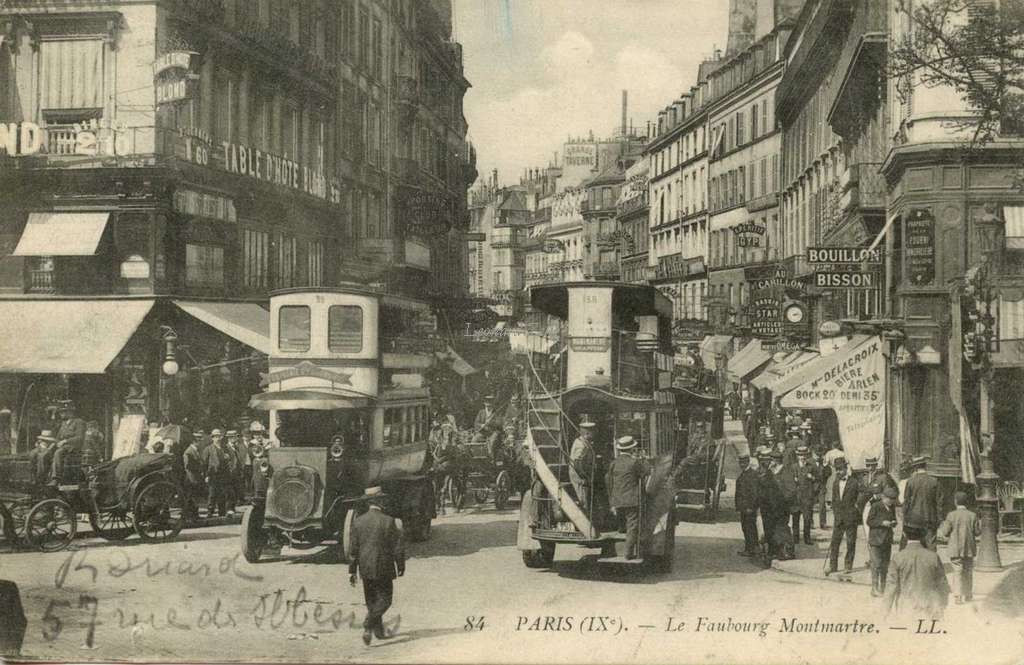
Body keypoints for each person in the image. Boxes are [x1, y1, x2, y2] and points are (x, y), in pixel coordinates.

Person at [348, 487, 405, 646]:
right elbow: (397, 547)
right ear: (380, 502)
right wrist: (400, 565)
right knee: (385, 600)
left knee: (371, 600)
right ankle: (368, 624)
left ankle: (378, 632)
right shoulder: (389, 521)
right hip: (384, 566)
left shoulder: (358, 522)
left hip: (365, 567)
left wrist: (352, 571)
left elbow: (353, 549)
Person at [886, 526, 951, 619]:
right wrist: (943, 605)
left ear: (904, 535)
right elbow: (943, 583)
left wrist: (885, 612)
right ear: (923, 536)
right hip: (930, 605)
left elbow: (891, 586)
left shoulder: (898, 557)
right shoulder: (933, 556)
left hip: (906, 607)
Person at [604, 435, 649, 560]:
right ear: (632, 449)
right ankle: (628, 553)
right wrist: (643, 459)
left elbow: (608, 479)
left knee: (622, 524)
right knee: (632, 525)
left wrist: (611, 499)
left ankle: (616, 547)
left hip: (617, 500)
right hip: (631, 499)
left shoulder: (614, 463)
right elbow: (646, 472)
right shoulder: (634, 462)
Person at [937, 491, 980, 604]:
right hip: (969, 548)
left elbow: (945, 532)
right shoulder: (973, 515)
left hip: (955, 548)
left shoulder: (951, 515)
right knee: (968, 571)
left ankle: (958, 596)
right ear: (966, 502)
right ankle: (968, 594)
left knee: (957, 571)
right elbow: (977, 532)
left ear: (955, 502)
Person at [826, 459, 865, 575]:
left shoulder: (854, 482)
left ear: (845, 469)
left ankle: (848, 566)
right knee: (834, 543)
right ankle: (833, 566)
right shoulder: (835, 482)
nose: (838, 472)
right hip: (839, 518)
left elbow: (864, 493)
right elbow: (834, 499)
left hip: (851, 517)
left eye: (840, 469)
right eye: (837, 470)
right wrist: (835, 511)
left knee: (850, 542)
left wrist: (858, 506)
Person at [902, 455, 942, 549]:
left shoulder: (911, 481)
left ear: (915, 467)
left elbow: (906, 501)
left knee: (915, 544)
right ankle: (932, 563)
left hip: (913, 519)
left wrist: (905, 517)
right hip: (930, 518)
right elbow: (939, 503)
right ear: (925, 466)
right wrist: (939, 518)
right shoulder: (934, 481)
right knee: (931, 544)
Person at [867, 486, 899, 597]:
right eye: (889, 499)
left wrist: (894, 522)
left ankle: (883, 587)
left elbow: (894, 518)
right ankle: (874, 588)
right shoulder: (876, 506)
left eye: (893, 499)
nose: (891, 501)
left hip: (887, 540)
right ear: (883, 497)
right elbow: (869, 521)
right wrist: (882, 523)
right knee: (876, 565)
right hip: (876, 540)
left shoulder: (892, 507)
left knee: (885, 565)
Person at [768, 449, 795, 560]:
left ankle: (788, 551)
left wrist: (783, 501)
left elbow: (791, 490)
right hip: (772, 506)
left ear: (776, 460)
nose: (771, 462)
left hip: (782, 506)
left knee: (783, 528)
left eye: (772, 460)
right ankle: (777, 550)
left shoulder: (786, 472)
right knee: (774, 528)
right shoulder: (771, 471)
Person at [50, 401, 86, 484]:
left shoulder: (79, 422)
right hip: (62, 447)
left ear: (70, 412)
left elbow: (80, 437)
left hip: (73, 448)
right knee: (42, 453)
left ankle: (56, 478)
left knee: (58, 453)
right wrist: (52, 443)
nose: (61, 414)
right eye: (61, 412)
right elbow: (58, 438)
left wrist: (65, 441)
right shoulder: (63, 424)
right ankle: (39, 478)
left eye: (63, 412)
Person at [793, 445, 821, 545]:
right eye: (800, 455)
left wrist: (812, 479)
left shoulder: (811, 466)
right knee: (795, 518)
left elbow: (818, 480)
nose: (802, 457)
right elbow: (789, 481)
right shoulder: (794, 467)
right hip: (796, 497)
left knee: (807, 518)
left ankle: (807, 538)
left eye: (804, 455)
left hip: (808, 496)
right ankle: (795, 538)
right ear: (797, 456)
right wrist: (794, 481)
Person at [735, 455, 761, 557]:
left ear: (747, 463)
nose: (741, 465)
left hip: (749, 508)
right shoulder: (745, 473)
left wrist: (751, 506)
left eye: (743, 463)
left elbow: (754, 493)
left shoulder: (751, 475)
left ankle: (752, 549)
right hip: (744, 507)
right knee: (746, 528)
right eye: (740, 463)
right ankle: (750, 548)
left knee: (750, 528)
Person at [202, 429, 231, 518]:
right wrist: (206, 475)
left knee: (222, 493)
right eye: (215, 437)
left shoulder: (224, 448)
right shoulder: (208, 449)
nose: (217, 439)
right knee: (212, 494)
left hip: (223, 474)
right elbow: (204, 463)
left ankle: (221, 512)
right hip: (213, 474)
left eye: (219, 437)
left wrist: (227, 458)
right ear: (212, 438)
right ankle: (210, 512)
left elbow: (229, 460)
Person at [569, 421, 597, 511]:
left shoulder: (585, 442)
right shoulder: (581, 445)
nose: (594, 433)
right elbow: (577, 463)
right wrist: (584, 477)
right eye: (593, 432)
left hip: (582, 477)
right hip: (579, 478)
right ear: (587, 433)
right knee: (583, 501)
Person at [183, 432, 205, 521]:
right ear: (193, 441)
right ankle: (190, 516)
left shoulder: (195, 450)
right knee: (190, 498)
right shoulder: (188, 452)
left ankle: (194, 515)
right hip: (191, 478)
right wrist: (193, 479)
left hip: (196, 477)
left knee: (194, 497)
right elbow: (187, 467)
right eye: (197, 441)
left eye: (199, 440)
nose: (199, 442)